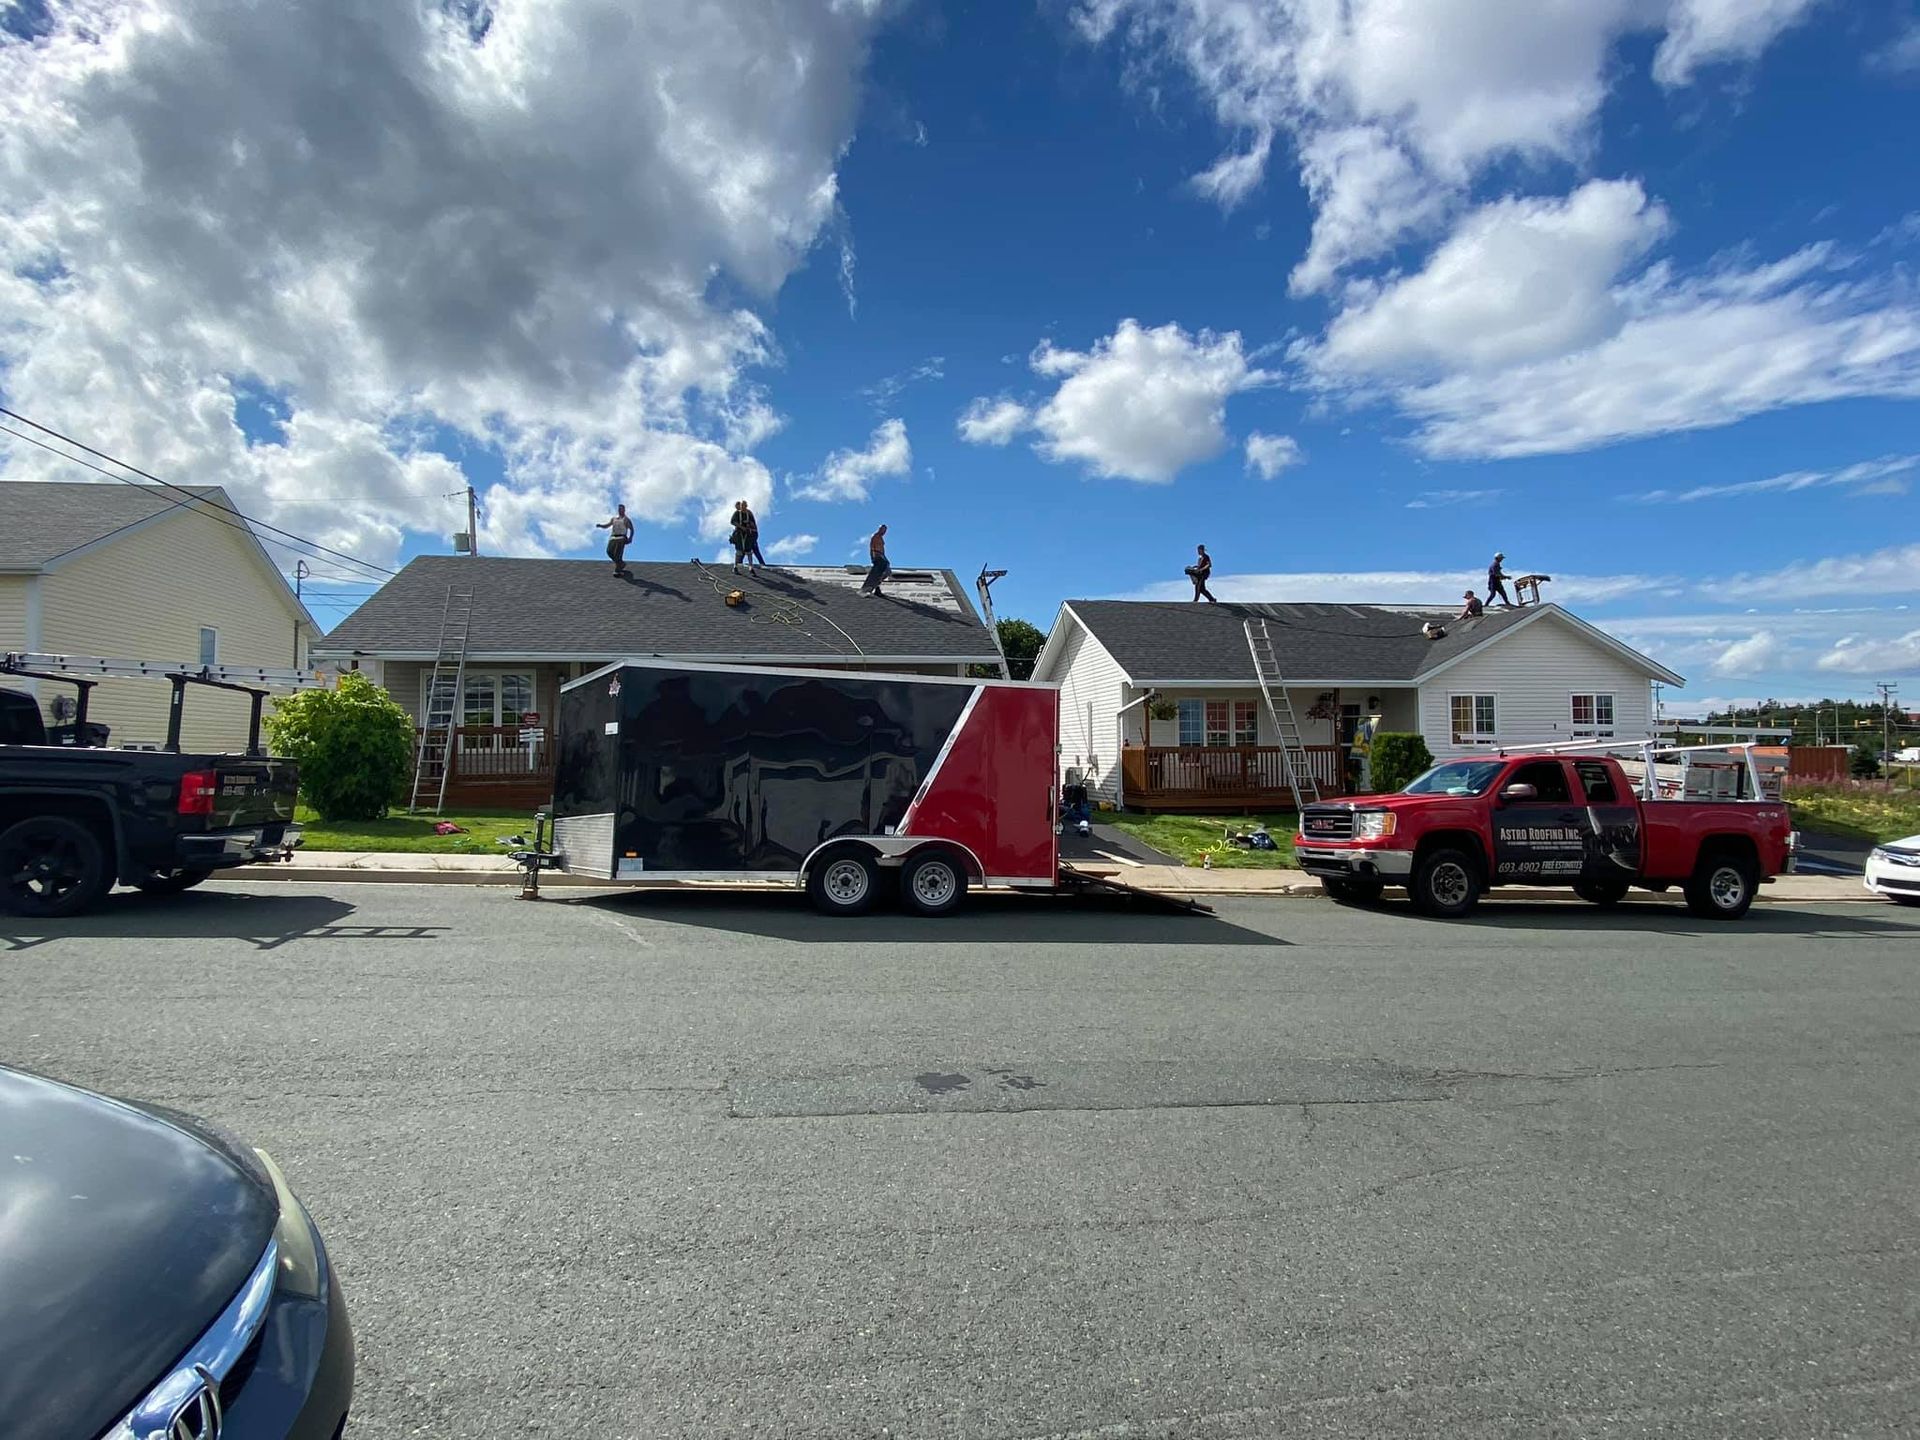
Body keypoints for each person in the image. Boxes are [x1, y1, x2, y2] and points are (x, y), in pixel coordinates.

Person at [597, 503, 633, 576]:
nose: (620, 510)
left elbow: (632, 529)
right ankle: (621, 563)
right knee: (609, 551)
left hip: (621, 537)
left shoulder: (626, 519)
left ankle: (618, 570)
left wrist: (630, 538)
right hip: (613, 537)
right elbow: (607, 525)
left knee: (618, 554)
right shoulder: (614, 519)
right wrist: (601, 525)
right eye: (619, 509)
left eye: (621, 509)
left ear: (624, 510)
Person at [860, 523, 891, 596]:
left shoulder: (880, 538)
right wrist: (874, 557)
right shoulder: (875, 537)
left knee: (887, 572)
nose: (884, 532)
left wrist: (884, 557)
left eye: (885, 531)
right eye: (883, 530)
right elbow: (872, 548)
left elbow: (882, 549)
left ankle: (877, 585)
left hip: (881, 555)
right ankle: (874, 588)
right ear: (880, 529)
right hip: (877, 555)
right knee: (880, 572)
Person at [738, 501, 767, 568]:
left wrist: (748, 523)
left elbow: (753, 524)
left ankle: (762, 563)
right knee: (743, 549)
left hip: (751, 534)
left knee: (755, 549)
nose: (742, 507)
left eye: (743, 506)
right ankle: (739, 563)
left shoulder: (749, 513)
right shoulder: (740, 514)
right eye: (741, 506)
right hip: (744, 535)